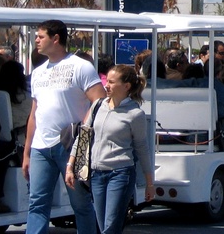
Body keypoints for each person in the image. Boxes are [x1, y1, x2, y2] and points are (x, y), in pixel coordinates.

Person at [23, 19, 105, 234]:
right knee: (37, 203)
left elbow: (99, 103)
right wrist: (27, 152)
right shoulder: (38, 72)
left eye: (41, 37)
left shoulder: (81, 67)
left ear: (56, 38)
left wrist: (83, 144)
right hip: (41, 147)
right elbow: (34, 113)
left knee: (81, 203)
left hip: (72, 145)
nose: (37, 41)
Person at [66, 64, 154, 234]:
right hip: (96, 174)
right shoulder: (98, 105)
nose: (106, 85)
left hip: (120, 173)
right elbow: (83, 137)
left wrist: (150, 183)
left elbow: (142, 148)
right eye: (107, 80)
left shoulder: (135, 114)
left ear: (126, 86)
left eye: (112, 82)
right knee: (102, 225)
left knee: (111, 225)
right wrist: (70, 166)